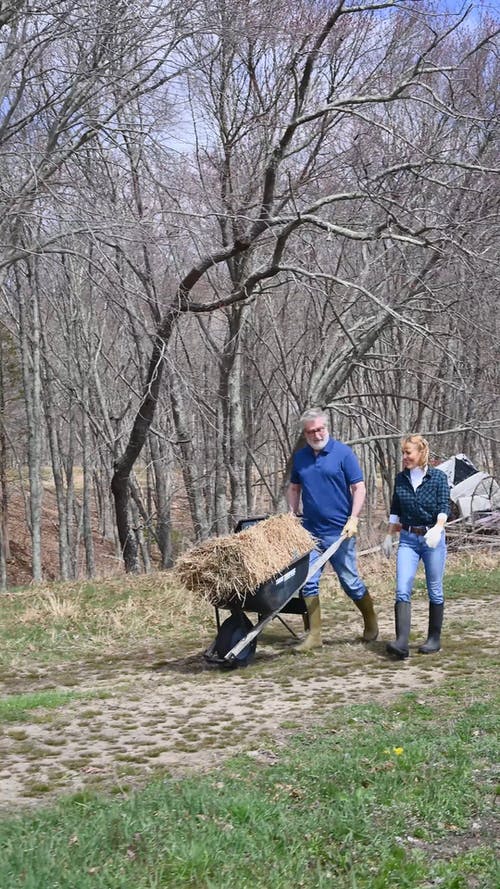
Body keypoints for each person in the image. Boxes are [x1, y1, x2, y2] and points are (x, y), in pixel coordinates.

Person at [287, 408, 378, 650]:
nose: (317, 434)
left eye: (320, 429)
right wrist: (292, 516)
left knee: (349, 580)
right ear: (305, 434)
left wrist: (353, 518)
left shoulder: (343, 453)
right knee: (308, 581)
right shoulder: (301, 457)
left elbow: (359, 487)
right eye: (311, 431)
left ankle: (371, 622)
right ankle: (314, 636)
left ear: (326, 428)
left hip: (340, 531)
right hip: (310, 531)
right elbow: (294, 488)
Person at [382, 434, 450, 660]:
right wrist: (389, 536)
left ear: (421, 454)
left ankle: (434, 639)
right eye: (403, 453)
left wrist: (438, 529)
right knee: (402, 587)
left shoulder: (438, 477)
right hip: (408, 539)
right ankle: (401, 642)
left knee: (435, 588)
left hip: (432, 538)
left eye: (408, 453)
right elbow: (395, 509)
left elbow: (444, 506)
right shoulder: (401, 479)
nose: (404, 457)